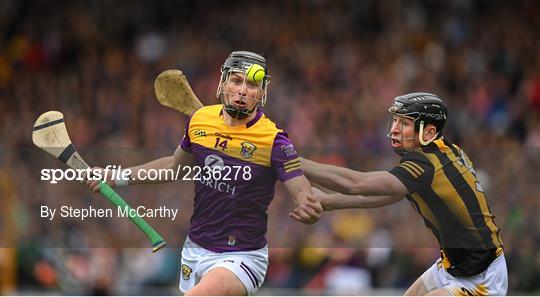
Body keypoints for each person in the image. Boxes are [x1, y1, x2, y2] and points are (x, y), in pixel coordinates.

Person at [87, 51, 322, 295]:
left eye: (252, 84)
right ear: (223, 83)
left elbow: (302, 191)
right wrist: (115, 176)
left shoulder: (274, 140)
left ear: (262, 92)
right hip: (195, 249)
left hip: (241, 257)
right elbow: (172, 168)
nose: (242, 90)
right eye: (236, 80)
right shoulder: (200, 120)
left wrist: (308, 205)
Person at [294, 92, 507, 296]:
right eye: (395, 121)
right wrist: (331, 201)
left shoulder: (425, 164)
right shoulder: (443, 151)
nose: (394, 129)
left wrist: (290, 161)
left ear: (429, 132)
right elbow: (392, 194)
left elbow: (355, 183)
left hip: (482, 275)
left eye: (404, 124)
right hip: (451, 266)